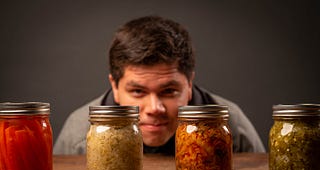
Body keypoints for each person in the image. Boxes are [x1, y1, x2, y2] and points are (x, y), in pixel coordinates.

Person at [54, 15, 265, 155]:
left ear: (189, 84)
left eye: (169, 91)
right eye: (138, 91)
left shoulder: (231, 127)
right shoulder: (79, 135)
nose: (155, 108)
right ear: (115, 87)